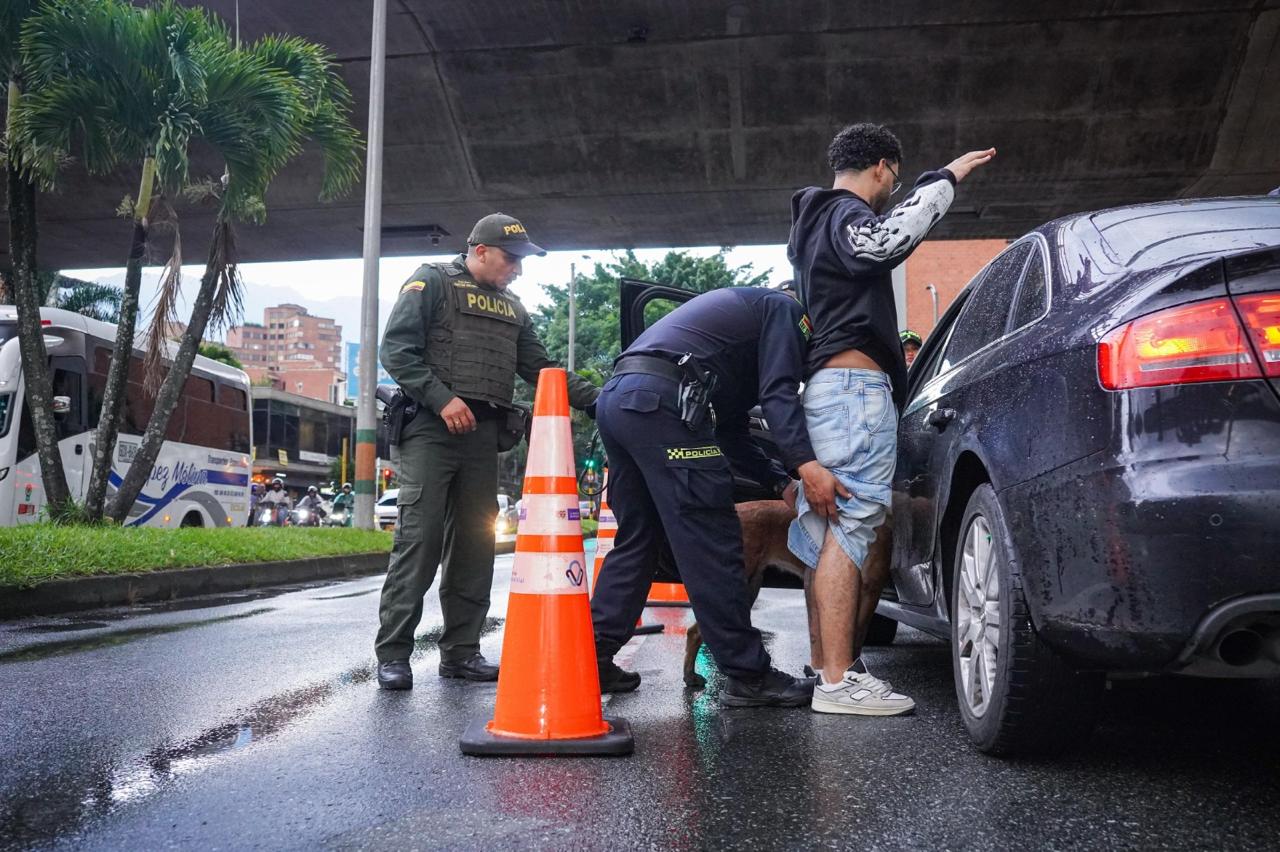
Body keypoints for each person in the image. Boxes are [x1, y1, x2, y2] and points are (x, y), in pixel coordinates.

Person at [787, 122, 994, 715]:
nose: (890, 190)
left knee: (831, 533)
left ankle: (831, 669)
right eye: (893, 179)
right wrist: (945, 178)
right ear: (880, 167)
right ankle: (837, 681)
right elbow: (885, 242)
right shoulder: (841, 213)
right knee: (851, 529)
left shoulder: (813, 224)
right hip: (854, 390)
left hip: (832, 390)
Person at [591, 285, 846, 707]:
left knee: (639, 539)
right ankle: (748, 675)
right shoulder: (787, 311)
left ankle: (594, 657)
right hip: (665, 404)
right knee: (712, 540)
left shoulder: (728, 338)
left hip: (620, 400)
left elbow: (730, 430)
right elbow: (780, 394)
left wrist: (777, 481)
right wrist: (807, 465)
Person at [374, 213, 599, 690]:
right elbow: (396, 351)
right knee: (420, 541)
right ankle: (394, 653)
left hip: (481, 436)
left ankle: (461, 652)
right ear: (479, 251)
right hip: (431, 431)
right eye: (510, 259)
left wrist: (604, 399)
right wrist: (442, 398)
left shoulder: (513, 308)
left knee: (476, 547)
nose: (517, 269)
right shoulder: (430, 282)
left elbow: (541, 369)